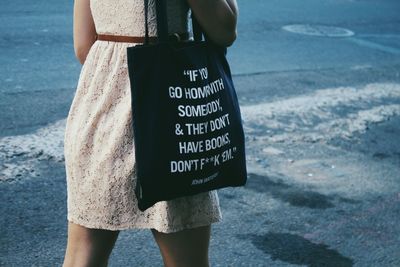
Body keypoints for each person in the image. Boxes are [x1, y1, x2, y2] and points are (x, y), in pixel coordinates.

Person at [62, 0, 238, 266]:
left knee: (83, 254)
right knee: (186, 258)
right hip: (169, 107)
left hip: (101, 105)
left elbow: (83, 45)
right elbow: (224, 29)